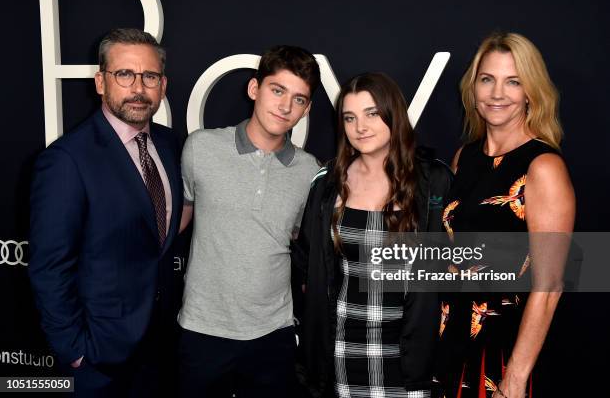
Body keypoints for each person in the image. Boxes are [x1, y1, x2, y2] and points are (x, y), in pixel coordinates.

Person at [28, 28, 183, 397]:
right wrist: (76, 351)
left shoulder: (170, 144)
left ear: (163, 85)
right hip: (98, 359)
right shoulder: (67, 160)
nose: (138, 88)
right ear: (101, 82)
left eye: (149, 76)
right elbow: (50, 267)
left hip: (161, 347)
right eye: (124, 74)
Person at [292, 72, 453, 398]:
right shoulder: (328, 182)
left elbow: (463, 259)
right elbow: (308, 267)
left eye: (371, 114)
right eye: (349, 118)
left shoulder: (433, 180)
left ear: (392, 113)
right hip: (342, 351)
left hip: (409, 356)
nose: (360, 127)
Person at [177, 45, 321, 398]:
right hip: (202, 329)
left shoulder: (308, 171)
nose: (286, 106)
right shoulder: (201, 148)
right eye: (277, 90)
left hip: (273, 333)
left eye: (299, 99)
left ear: (307, 109)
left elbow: (306, 248)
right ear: (254, 89)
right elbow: (174, 222)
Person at [437, 32, 575, 398]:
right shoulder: (463, 158)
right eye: (488, 79)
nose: (497, 94)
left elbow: (549, 285)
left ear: (531, 91)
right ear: (474, 87)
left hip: (499, 358)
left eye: (513, 81)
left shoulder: (542, 167)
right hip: (445, 345)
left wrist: (513, 380)